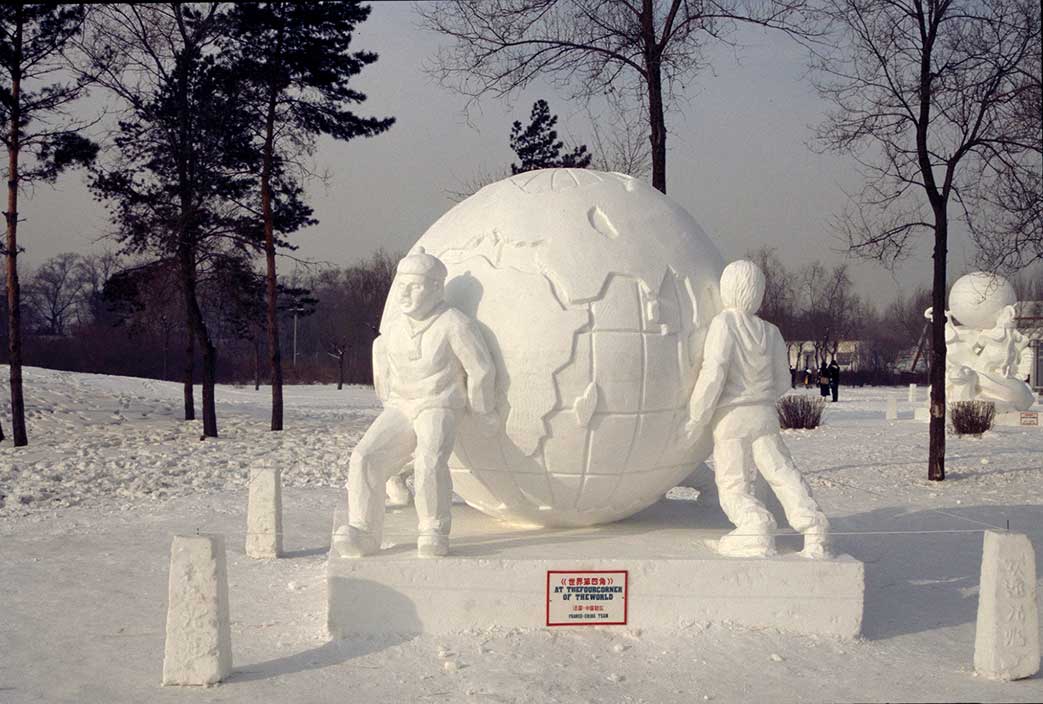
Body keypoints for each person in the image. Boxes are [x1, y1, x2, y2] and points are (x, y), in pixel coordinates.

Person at [334, 248, 497, 558]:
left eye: (415, 286)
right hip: (402, 405)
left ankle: (433, 529)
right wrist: (390, 403)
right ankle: (364, 531)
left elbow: (480, 369)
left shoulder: (454, 323)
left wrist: (483, 411)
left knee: (428, 459)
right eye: (402, 285)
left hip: (438, 404)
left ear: (435, 288)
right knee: (365, 456)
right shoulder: (394, 329)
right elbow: (384, 372)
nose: (405, 293)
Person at [683, 260, 830, 558]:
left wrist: (696, 415)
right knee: (781, 471)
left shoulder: (724, 323)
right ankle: (815, 528)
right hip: (764, 415)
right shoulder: (770, 331)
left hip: (731, 418)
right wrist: (760, 397)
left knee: (733, 484)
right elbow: (783, 381)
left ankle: (755, 527)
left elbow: (714, 372)